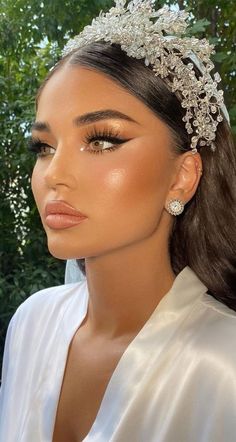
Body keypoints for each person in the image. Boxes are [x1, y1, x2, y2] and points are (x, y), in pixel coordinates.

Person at [0, 1, 236, 441]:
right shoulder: (31, 324)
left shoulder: (224, 368)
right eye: (44, 146)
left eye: (103, 140)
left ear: (182, 177)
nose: (53, 174)